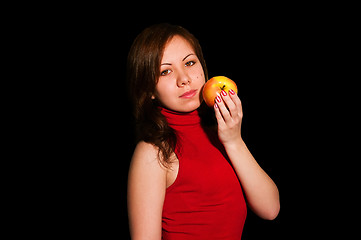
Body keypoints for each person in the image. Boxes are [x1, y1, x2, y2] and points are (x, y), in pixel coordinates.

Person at [127, 23, 280, 240]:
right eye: (165, 71)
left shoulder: (224, 138)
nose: (184, 79)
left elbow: (270, 209)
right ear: (149, 89)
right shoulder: (153, 152)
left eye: (190, 63)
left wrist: (234, 141)